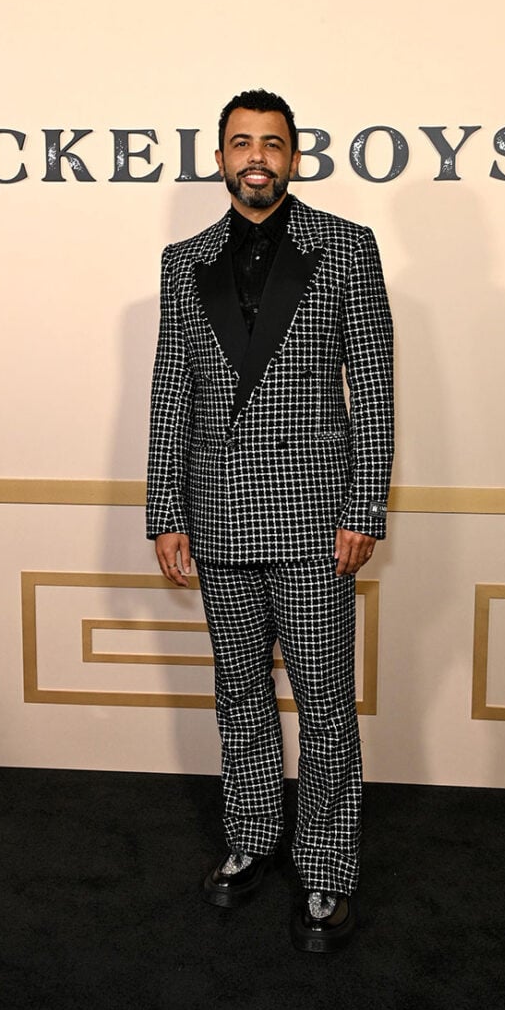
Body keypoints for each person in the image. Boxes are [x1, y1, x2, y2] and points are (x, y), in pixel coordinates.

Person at [146, 89, 394, 953]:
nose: (257, 155)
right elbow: (170, 392)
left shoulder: (347, 249)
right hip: (215, 515)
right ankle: (252, 839)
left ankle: (325, 869)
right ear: (219, 158)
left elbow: (373, 389)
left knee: (325, 705)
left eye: (273, 143)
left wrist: (364, 507)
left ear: (295, 156)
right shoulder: (184, 261)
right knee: (240, 694)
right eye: (241, 143)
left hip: (315, 519)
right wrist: (163, 510)